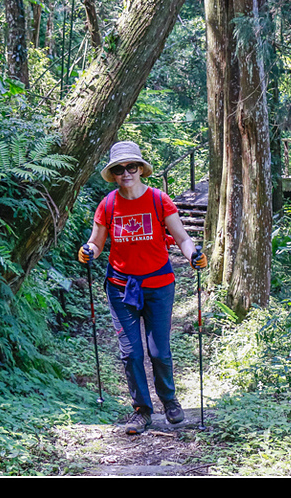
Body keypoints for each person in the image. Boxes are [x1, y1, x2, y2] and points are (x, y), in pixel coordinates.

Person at [79, 141, 207, 434]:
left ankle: (170, 402)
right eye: (119, 169)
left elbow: (182, 238)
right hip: (120, 287)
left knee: (159, 351)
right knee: (131, 353)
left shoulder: (159, 200)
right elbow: (96, 243)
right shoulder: (108, 204)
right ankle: (142, 411)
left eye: (131, 167)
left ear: (140, 169)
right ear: (113, 174)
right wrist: (87, 251)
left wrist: (193, 256)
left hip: (159, 285)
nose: (126, 173)